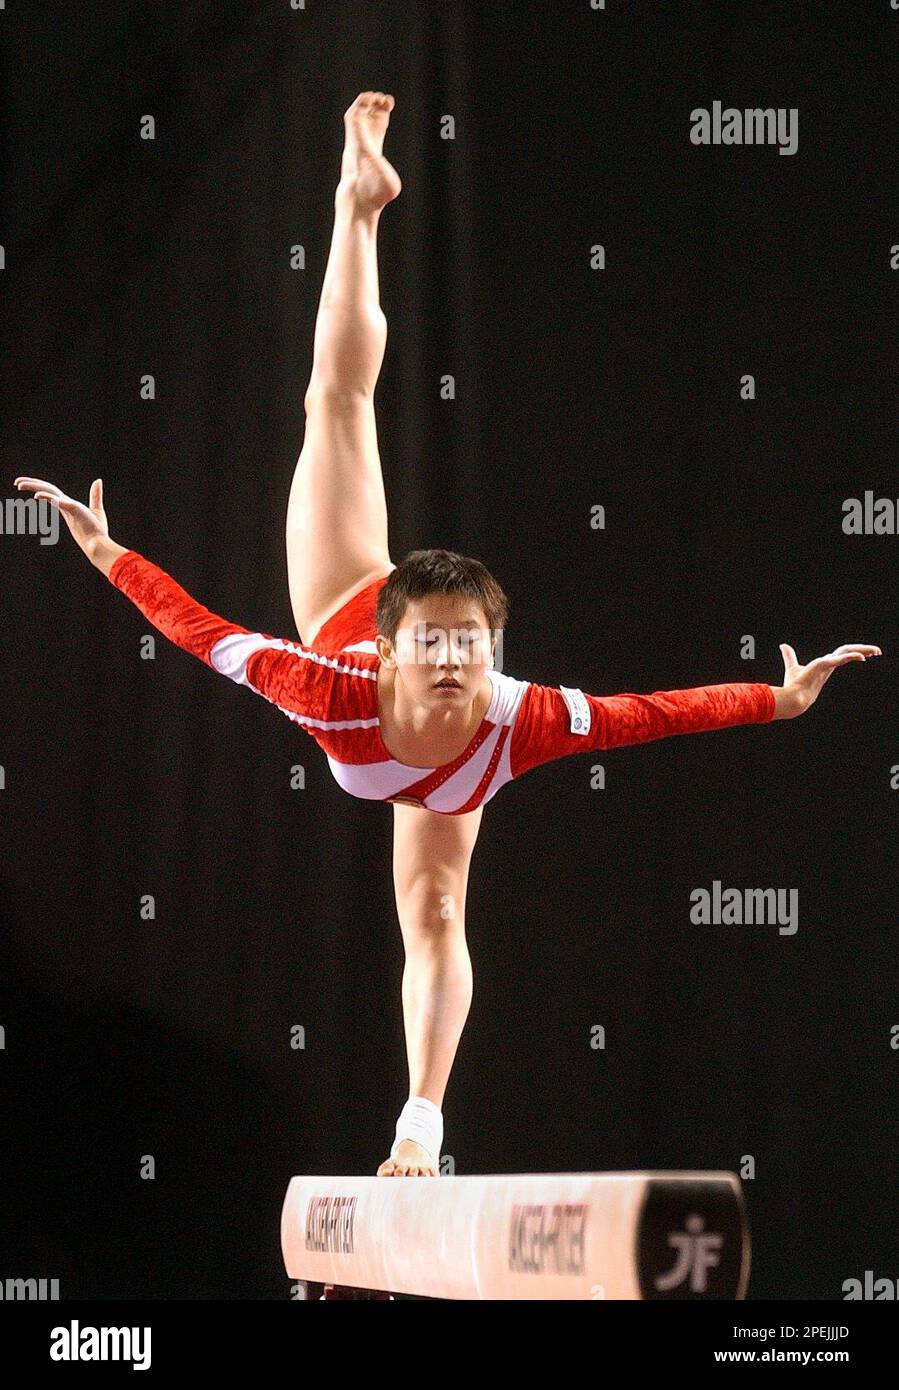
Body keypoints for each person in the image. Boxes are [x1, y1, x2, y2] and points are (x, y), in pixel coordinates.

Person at [14, 91, 881, 1179]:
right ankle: (357, 204)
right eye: (429, 641)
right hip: (342, 593)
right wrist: (107, 554)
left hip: (449, 782)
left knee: (433, 911)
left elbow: (646, 716)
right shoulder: (325, 682)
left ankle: (421, 1121)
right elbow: (201, 632)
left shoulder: (520, 719)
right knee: (334, 403)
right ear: (395, 645)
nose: (451, 659)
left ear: (491, 647)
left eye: (469, 641)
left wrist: (776, 698)